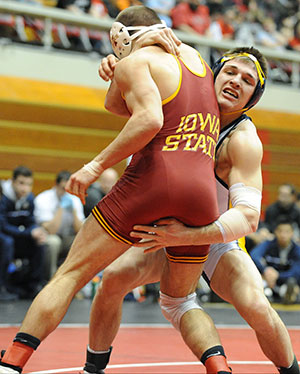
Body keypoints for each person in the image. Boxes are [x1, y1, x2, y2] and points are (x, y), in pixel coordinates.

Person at [0, 6, 232, 374]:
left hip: (153, 182)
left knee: (70, 274)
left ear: (122, 37)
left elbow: (149, 118)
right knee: (181, 301)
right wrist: (117, 73)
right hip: (202, 193)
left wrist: (95, 166)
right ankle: (219, 367)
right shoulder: (196, 58)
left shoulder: (136, 63)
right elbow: (118, 103)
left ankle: (11, 364)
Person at [85, 42, 299, 374]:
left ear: (253, 98)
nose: (235, 81)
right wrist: (119, 69)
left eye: (246, 80)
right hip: (162, 230)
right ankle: (92, 369)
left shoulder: (241, 140)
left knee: (256, 305)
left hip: (213, 237)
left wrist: (190, 235)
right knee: (112, 280)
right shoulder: (179, 99)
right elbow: (129, 94)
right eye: (230, 71)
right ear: (213, 74)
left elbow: (248, 218)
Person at [0, 166, 47, 299]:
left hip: (17, 235)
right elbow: (2, 226)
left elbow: (30, 222)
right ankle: (2, 286)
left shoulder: (29, 199)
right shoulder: (2, 197)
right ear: (13, 182)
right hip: (4, 235)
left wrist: (35, 231)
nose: (24, 188)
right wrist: (28, 233)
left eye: (28, 184)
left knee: (39, 243)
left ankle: (33, 285)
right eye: (21, 183)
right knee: (7, 242)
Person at [34, 170, 85, 280]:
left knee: (81, 242)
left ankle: (72, 281)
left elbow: (79, 230)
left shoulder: (74, 200)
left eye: (69, 189)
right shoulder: (43, 199)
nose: (67, 192)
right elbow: (51, 230)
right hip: (47, 236)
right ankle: (51, 280)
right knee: (53, 242)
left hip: (66, 237)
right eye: (63, 189)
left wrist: (74, 212)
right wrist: (61, 208)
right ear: (56, 185)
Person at [251, 218, 300, 304]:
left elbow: (296, 271)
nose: (283, 235)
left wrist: (278, 275)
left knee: (292, 281)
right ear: (275, 232)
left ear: (292, 233)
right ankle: (266, 293)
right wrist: (265, 270)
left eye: (287, 232)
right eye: (280, 231)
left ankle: (287, 293)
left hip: (285, 279)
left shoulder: (296, 250)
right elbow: (254, 256)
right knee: (257, 279)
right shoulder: (268, 244)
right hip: (267, 278)